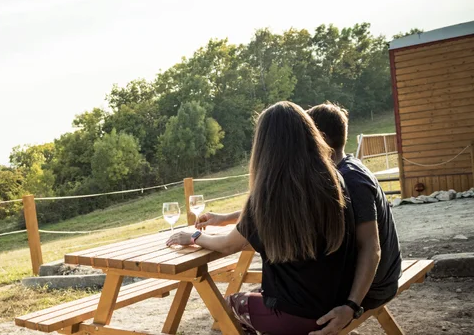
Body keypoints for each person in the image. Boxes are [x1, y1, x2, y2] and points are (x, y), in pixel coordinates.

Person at [167, 101, 357, 334]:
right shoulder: (334, 181)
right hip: (336, 305)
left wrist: (194, 236)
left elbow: (227, 245)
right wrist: (225, 218)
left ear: (265, 146)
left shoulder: (268, 196)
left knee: (227, 309)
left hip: (298, 315)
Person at [305, 103, 402, 335]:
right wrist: (227, 217)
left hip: (377, 284)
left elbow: (371, 248)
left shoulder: (352, 180)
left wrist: (350, 306)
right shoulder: (341, 171)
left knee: (288, 303)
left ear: (322, 139)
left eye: (306, 136)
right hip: (378, 276)